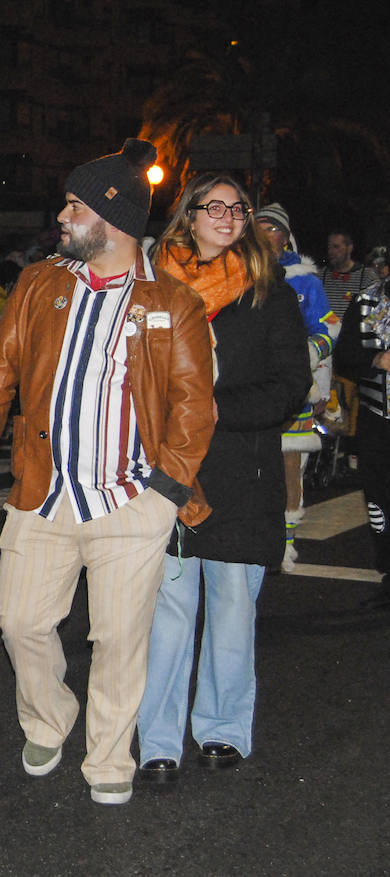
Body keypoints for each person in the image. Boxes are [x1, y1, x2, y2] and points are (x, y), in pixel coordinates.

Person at [0, 139, 216, 805]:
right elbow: (1, 363)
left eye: (75, 205)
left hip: (129, 500)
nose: (63, 215)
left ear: (115, 217)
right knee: (18, 619)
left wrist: (165, 492)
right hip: (42, 492)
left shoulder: (174, 303)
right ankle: (51, 716)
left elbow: (194, 405)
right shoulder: (41, 283)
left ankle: (108, 759)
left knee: (119, 639)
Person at [135, 174, 310, 784]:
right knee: (167, 615)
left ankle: (222, 729)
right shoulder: (148, 287)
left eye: (238, 208)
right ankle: (157, 742)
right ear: (187, 216)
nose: (229, 216)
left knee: (233, 612)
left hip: (241, 473)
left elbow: (291, 387)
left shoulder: (271, 294)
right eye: (215, 206)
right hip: (167, 475)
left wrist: (208, 408)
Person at [252, 203, 338, 571]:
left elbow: (330, 327)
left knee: (290, 468)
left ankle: (285, 545)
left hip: (292, 390)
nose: (263, 234)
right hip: (249, 390)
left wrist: (305, 357)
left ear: (285, 236)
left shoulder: (305, 279)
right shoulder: (238, 271)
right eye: (258, 227)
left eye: (271, 228)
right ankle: (253, 536)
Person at [334, 272, 390, 609]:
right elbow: (345, 356)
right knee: (380, 500)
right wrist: (376, 360)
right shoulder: (366, 302)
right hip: (376, 420)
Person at [318, 230, 377, 322]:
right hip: (326, 334)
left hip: (354, 334)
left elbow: (375, 314)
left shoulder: (367, 277)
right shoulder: (321, 276)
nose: (331, 251)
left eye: (336, 247)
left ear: (349, 248)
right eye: (329, 247)